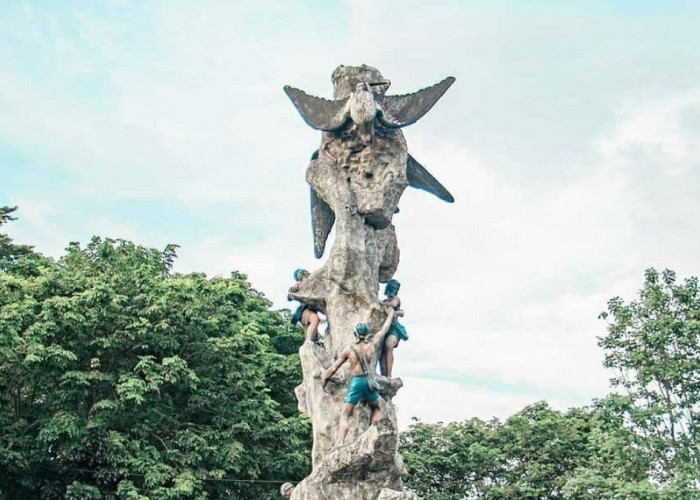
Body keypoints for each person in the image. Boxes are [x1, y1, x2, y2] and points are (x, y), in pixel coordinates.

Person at [321, 307, 396, 447]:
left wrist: (324, 379)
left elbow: (333, 368)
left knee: (345, 414)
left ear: (355, 334)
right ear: (367, 334)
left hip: (356, 383)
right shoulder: (373, 345)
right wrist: (390, 314)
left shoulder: (349, 349)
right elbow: (384, 329)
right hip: (369, 382)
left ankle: (339, 442)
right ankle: (372, 435)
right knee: (379, 407)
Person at [379, 279, 408, 378]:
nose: (393, 291)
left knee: (389, 345)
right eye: (392, 288)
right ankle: (384, 374)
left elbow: (394, 304)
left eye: (395, 289)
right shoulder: (384, 301)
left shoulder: (395, 299)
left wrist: (381, 304)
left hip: (393, 328)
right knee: (381, 352)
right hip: (384, 329)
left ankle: (389, 375)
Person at [289, 268, 321, 343]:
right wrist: (293, 289)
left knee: (313, 333)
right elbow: (294, 287)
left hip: (312, 309)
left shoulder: (311, 282)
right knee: (315, 319)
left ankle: (311, 343)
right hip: (305, 309)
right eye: (306, 272)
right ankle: (308, 342)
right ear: (302, 274)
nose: (308, 272)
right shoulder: (301, 282)